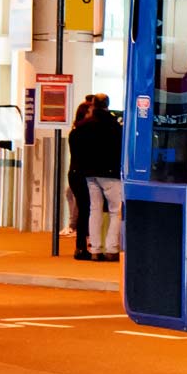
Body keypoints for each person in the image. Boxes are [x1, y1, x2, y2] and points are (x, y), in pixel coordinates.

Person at [81, 95, 124, 262]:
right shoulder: (115, 126)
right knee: (115, 211)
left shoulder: (85, 126)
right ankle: (111, 248)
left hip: (90, 173)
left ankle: (95, 249)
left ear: (94, 105)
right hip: (110, 173)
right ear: (108, 105)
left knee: (95, 210)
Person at [66, 96, 100, 261]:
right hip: (81, 174)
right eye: (92, 111)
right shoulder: (86, 132)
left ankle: (81, 246)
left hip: (74, 173)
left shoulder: (74, 132)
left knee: (83, 209)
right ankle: (81, 246)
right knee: (85, 209)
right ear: (86, 113)